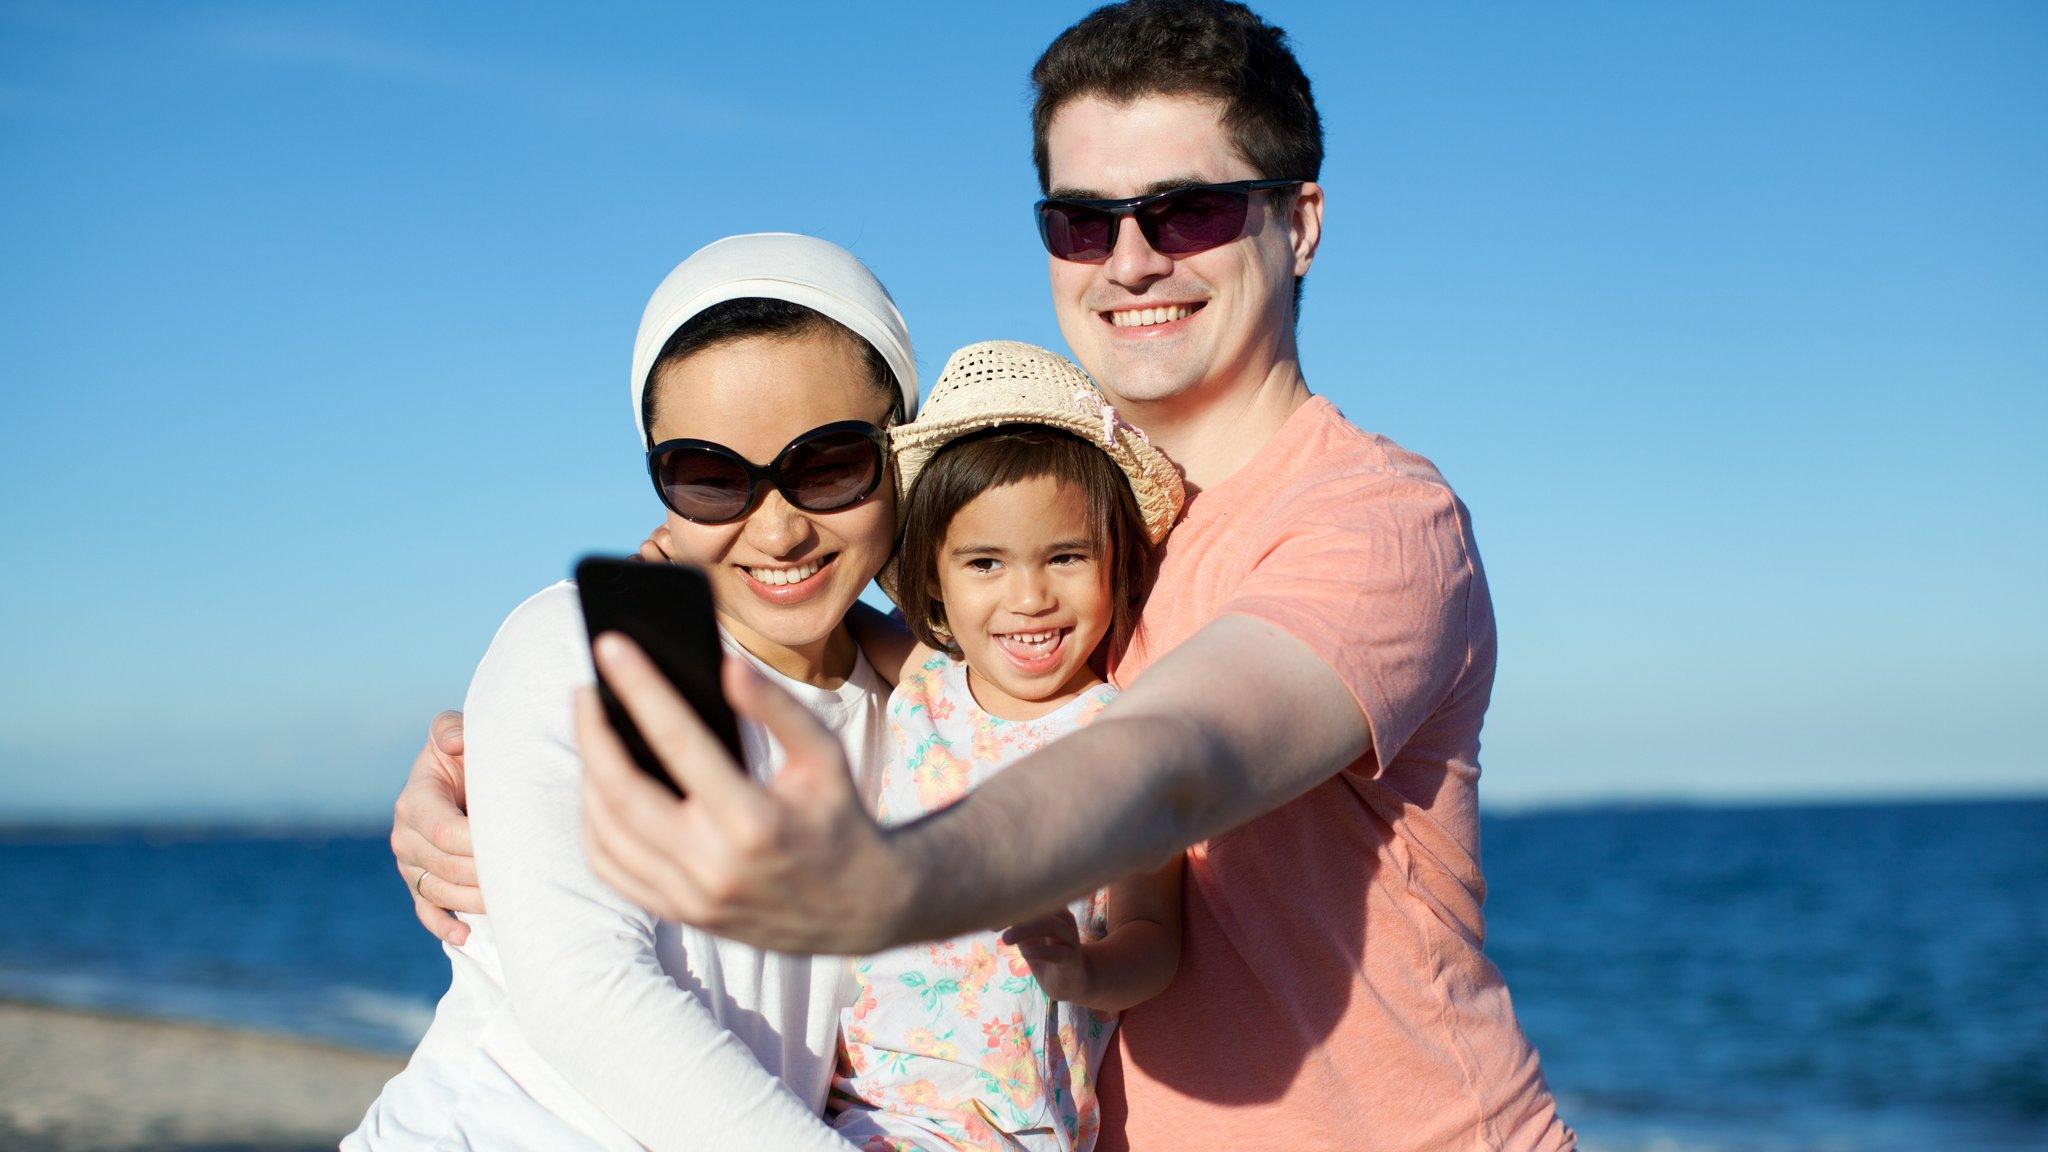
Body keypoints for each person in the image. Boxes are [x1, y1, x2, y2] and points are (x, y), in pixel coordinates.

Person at [398, 2, 1577, 1148]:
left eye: (1187, 212)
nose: (1128, 261)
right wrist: (503, 770)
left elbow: (1175, 758)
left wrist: (903, 882)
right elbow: (884, 651)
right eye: (1080, 220)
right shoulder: (1041, 532)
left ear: (1300, 223)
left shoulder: (1370, 519)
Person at [350, 233, 918, 1150]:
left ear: (904, 445)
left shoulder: (920, 715)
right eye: (712, 479)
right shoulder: (585, 641)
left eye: (827, 466)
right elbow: (587, 994)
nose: (776, 531)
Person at [822, 341, 1185, 1152]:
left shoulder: (1124, 748)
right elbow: (818, 607)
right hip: (854, 1105)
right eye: (985, 562)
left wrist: (1085, 971)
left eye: (1065, 557)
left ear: (1116, 564)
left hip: (1005, 1130)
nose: (1029, 597)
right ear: (935, 582)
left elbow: (1156, 940)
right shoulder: (925, 677)